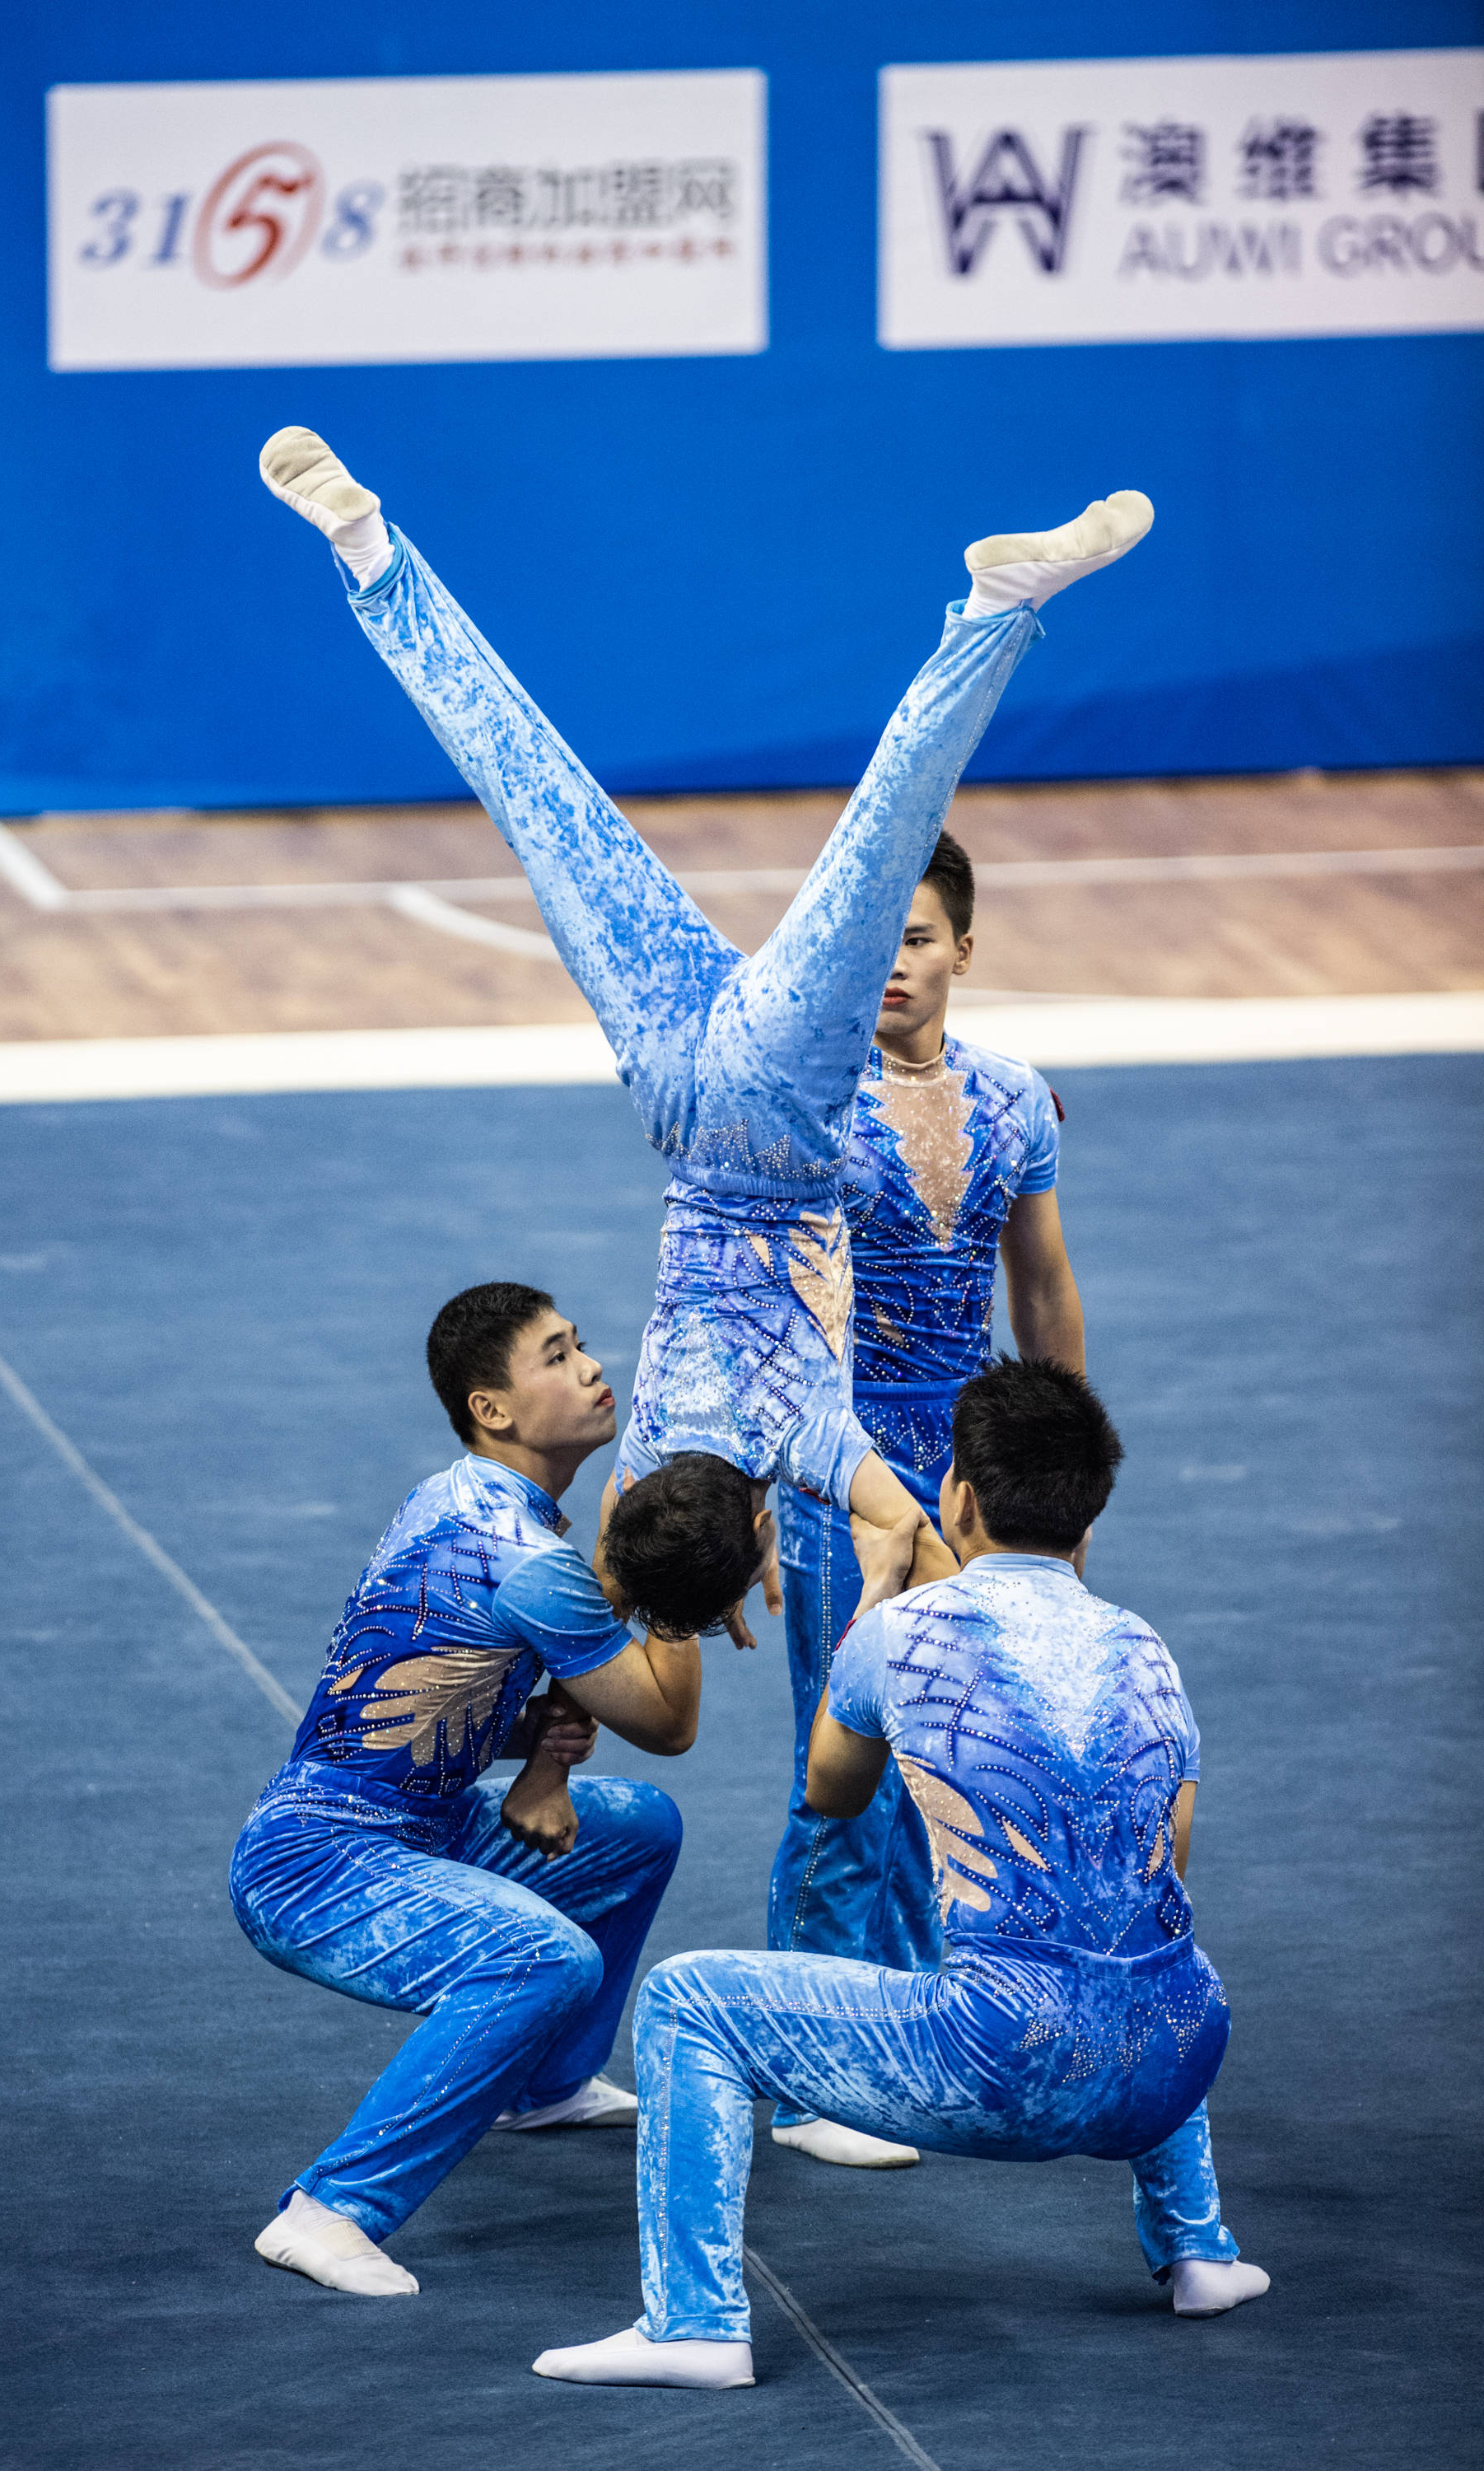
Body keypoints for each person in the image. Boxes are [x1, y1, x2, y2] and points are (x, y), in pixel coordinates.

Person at [259, 425, 1152, 1643]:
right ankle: (371, 553)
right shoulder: (646, 1457)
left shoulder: (809, 1439)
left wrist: (963, 1572)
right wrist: (593, 1692)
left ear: (747, 1537)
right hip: (674, 1096)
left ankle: (993, 612)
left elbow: (911, 1534)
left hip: (774, 1118)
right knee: (537, 795)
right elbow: (616, 1579)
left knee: (891, 827)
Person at [531, 1358, 1269, 2390]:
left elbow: (831, 1792)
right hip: (1176, 2064)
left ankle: (692, 2321)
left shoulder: (900, 1631)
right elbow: (1166, 1871)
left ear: (955, 1499)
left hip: (1002, 2062)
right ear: (1087, 1522)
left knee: (684, 1999)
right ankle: (1199, 2252)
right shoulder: (1146, 1649)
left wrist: (873, 1601)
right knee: (1143, 1955)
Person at [231, 1281, 699, 2298]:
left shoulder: (449, 1497)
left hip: (413, 1819)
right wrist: (684, 1584)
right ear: (491, 1408)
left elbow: (431, 1707)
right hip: (318, 1862)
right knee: (545, 1959)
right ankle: (331, 2209)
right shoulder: (535, 1565)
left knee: (637, 1829)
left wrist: (539, 1742)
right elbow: (665, 1724)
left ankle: (544, 2086)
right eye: (557, 1356)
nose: (591, 1368)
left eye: (583, 1346)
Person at [768, 833, 1086, 2170]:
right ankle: (808, 2069)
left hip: (974, 1466)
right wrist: (802, 1486)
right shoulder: (804, 1098)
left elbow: (1044, 1290)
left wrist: (1063, 1484)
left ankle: (912, 2019)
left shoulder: (1016, 1100)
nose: (890, 963)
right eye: (867, 939)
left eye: (913, 937)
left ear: (965, 946)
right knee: (848, 1756)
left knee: (958, 1745)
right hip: (848, 1463)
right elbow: (783, 1319)